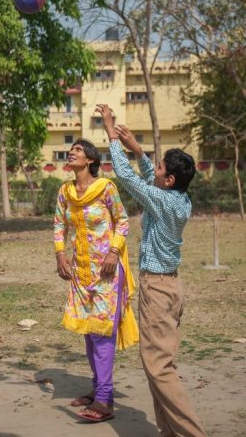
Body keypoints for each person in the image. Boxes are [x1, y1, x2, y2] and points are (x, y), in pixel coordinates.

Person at [96, 103, 208, 437]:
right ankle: (170, 431)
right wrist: (139, 150)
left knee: (159, 369)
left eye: (160, 167)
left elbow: (130, 179)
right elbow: (149, 178)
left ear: (170, 179)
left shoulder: (164, 200)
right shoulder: (179, 198)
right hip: (169, 288)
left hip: (159, 290)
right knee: (157, 365)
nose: (155, 169)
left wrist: (110, 133)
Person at [54, 138, 139, 423]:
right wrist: (60, 255)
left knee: (102, 334)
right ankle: (99, 389)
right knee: (90, 334)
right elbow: (58, 225)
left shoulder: (106, 188)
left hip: (106, 271)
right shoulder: (65, 191)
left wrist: (114, 252)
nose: (72, 152)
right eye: (71, 150)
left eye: (78, 150)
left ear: (90, 159)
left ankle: (104, 401)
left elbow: (123, 220)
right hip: (79, 272)